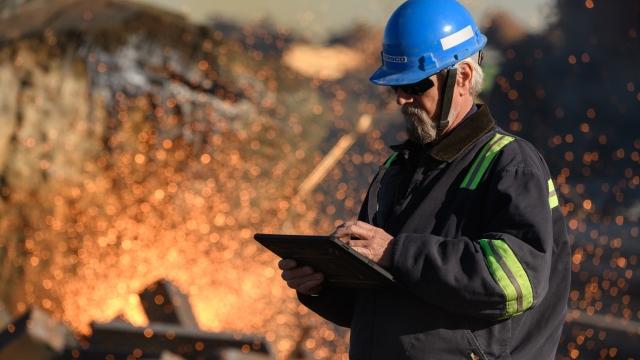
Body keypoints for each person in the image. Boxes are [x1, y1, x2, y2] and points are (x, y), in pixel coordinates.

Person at [278, 0, 571, 358]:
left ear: (462, 77)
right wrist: (322, 284)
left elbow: (516, 281)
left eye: (416, 85)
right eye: (394, 87)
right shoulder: (395, 170)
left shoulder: (510, 163)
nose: (402, 98)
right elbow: (380, 303)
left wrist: (395, 251)